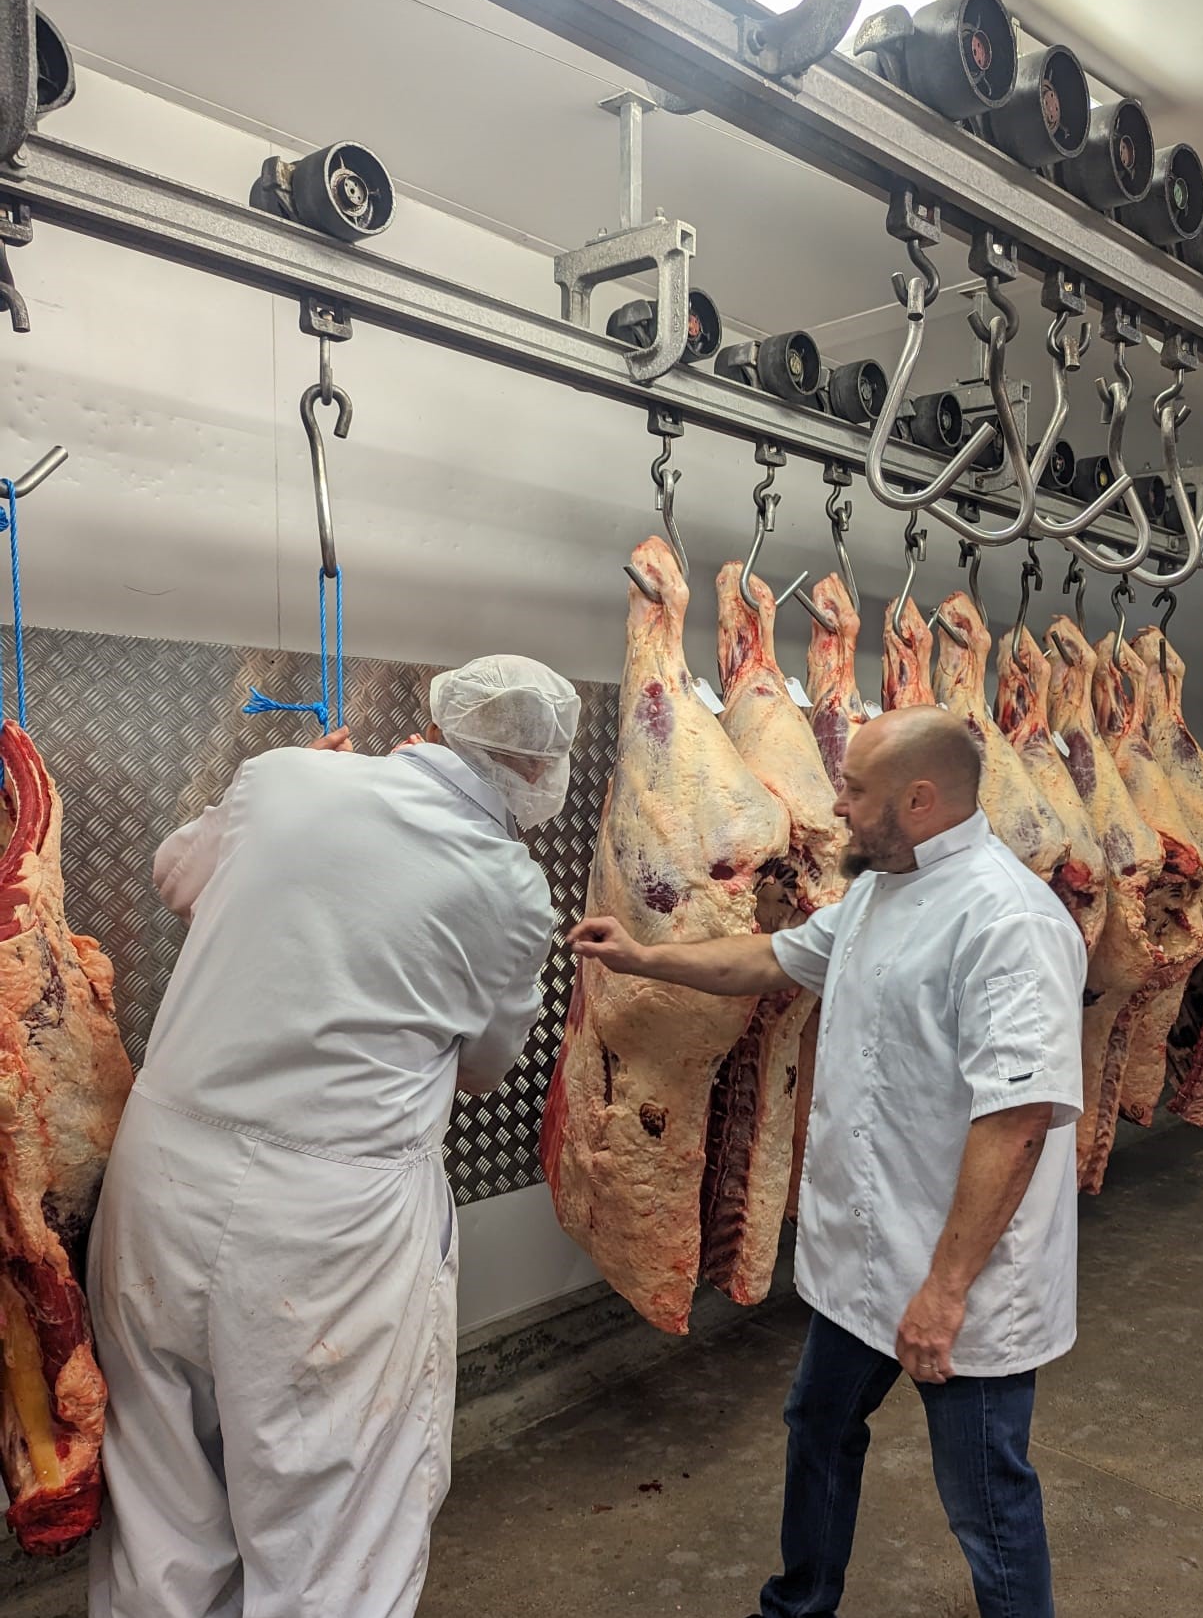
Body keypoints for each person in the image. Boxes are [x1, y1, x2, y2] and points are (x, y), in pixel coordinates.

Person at [87, 656, 580, 1618]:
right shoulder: (510, 889)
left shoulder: (283, 777)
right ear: (538, 773)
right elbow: (484, 1066)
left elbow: (175, 878)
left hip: (160, 1184)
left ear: (439, 719)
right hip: (327, 1232)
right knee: (333, 1537)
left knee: (158, 1514)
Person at [571, 705, 1085, 1618]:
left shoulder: (1008, 920)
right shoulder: (880, 893)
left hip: (961, 1277)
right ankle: (800, 1604)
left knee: (985, 1497)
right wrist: (646, 956)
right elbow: (769, 957)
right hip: (862, 1261)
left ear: (918, 800)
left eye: (853, 788)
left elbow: (1019, 1120)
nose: (837, 805)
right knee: (817, 1426)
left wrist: (946, 1291)